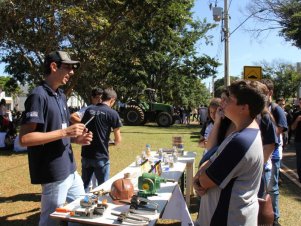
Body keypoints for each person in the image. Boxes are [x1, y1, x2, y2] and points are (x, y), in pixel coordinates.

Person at [19, 50, 93, 226]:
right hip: (53, 173)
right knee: (50, 221)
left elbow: (57, 130)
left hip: (70, 169)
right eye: (68, 67)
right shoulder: (38, 96)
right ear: (54, 66)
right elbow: (25, 139)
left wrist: (76, 139)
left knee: (82, 213)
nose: (72, 72)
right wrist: (66, 132)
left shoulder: (60, 95)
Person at [193, 80, 268, 226]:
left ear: (244, 108)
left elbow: (205, 181)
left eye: (230, 100)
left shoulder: (241, 141)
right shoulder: (241, 133)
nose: (224, 103)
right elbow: (212, 159)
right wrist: (200, 174)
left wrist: (198, 179)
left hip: (226, 218)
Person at [81, 88, 122, 190]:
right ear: (112, 100)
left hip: (86, 155)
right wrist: (110, 143)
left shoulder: (89, 110)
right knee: (102, 188)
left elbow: (82, 129)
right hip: (101, 156)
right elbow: (118, 140)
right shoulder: (112, 113)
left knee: (84, 186)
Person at [260, 79, 288, 226]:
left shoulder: (276, 108)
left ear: (270, 93)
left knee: (273, 187)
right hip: (265, 152)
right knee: (265, 187)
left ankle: (275, 217)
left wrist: (265, 137)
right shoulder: (260, 108)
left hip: (274, 154)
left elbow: (281, 128)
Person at [291, 97, 301, 183]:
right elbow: (292, 127)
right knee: (299, 159)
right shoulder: (296, 114)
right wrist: (297, 121)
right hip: (299, 140)